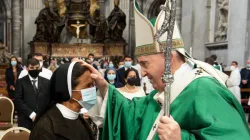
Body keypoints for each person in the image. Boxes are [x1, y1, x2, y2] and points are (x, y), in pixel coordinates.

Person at [87, 1, 250, 139]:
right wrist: (104, 87)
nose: (142, 73)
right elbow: (133, 114)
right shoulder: (163, 91)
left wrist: (181, 138)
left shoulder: (204, 90)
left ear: (168, 58)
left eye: (145, 64)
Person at [29, 62, 95, 140]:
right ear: (68, 91)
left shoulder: (82, 121)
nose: (92, 89)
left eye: (93, 85)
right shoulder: (45, 129)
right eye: (88, 86)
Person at [15, 58, 51, 130]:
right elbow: (18, 100)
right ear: (27, 69)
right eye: (32, 68)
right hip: (26, 119)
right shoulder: (20, 82)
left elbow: (49, 99)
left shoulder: (46, 82)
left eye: (37, 68)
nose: (34, 69)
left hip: (43, 119)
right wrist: (31, 114)